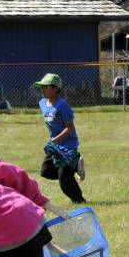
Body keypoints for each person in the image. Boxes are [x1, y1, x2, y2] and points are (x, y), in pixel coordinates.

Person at [35, 73, 86, 204]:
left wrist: (55, 140)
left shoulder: (63, 106)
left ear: (55, 88)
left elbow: (69, 128)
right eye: (42, 87)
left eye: (45, 87)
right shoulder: (42, 103)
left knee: (64, 178)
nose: (42, 90)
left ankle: (79, 200)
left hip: (68, 145)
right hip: (55, 144)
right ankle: (74, 167)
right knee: (46, 171)